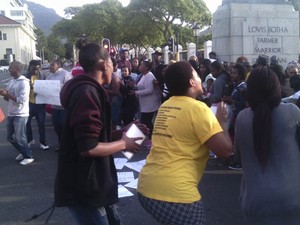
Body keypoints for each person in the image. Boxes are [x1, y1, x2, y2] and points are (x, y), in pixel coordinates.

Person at [54, 42, 149, 225]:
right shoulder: (87, 93)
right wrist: (124, 143)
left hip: (97, 182)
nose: (114, 69)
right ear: (104, 64)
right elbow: (88, 147)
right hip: (84, 186)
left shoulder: (91, 90)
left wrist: (122, 132)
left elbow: (95, 136)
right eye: (112, 64)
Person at [137, 61, 233, 225]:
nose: (200, 78)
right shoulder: (199, 109)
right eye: (196, 75)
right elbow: (225, 151)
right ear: (191, 82)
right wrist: (222, 122)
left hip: (146, 186)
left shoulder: (166, 105)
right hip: (175, 194)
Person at [235, 67, 300, 224]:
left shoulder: (242, 118)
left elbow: (237, 157)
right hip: (291, 200)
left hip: (253, 202)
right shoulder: (292, 112)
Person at [0, 61, 34, 165]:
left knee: (20, 138)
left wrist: (8, 94)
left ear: (17, 69)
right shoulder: (11, 82)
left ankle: (29, 156)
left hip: (21, 114)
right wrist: (4, 94)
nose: (9, 70)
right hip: (11, 113)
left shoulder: (24, 82)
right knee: (10, 137)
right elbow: (7, 99)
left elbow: (22, 100)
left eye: (11, 68)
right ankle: (24, 152)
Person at [131, 60, 161, 138]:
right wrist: (134, 87)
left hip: (150, 103)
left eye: (141, 65)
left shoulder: (149, 76)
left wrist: (136, 92)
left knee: (146, 121)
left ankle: (152, 138)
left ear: (146, 68)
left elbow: (149, 90)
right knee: (145, 121)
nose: (139, 67)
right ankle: (150, 137)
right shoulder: (143, 75)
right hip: (145, 103)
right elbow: (141, 86)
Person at [47, 59, 72, 149]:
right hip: (54, 106)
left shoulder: (65, 74)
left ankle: (67, 145)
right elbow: (46, 87)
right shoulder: (50, 76)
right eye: (50, 65)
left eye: (52, 65)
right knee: (56, 124)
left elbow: (69, 88)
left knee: (64, 125)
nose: (50, 67)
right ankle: (61, 144)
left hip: (63, 106)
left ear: (59, 65)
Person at [25, 60, 49, 150]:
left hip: (40, 104)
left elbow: (46, 88)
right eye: (34, 68)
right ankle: (30, 140)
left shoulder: (42, 75)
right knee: (27, 124)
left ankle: (43, 142)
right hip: (29, 103)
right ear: (30, 67)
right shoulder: (25, 76)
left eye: (38, 69)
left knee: (41, 124)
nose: (36, 71)